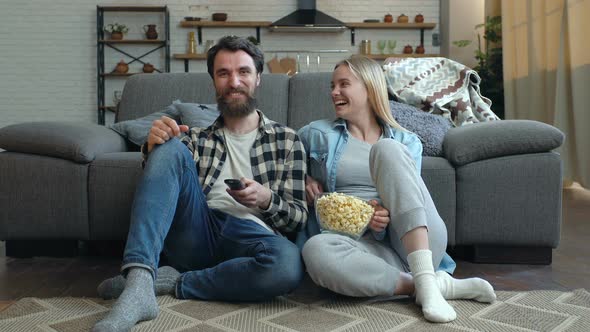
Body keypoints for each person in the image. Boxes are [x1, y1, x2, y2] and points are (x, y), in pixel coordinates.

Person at [92, 36, 308, 331]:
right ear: (214, 81)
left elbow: (298, 218)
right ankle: (140, 280)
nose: (234, 81)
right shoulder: (195, 137)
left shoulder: (288, 140)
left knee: (287, 266)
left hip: (253, 239)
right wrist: (153, 147)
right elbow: (164, 186)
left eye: (243, 72)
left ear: (258, 78)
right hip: (197, 229)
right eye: (224, 73)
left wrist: (266, 199)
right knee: (169, 145)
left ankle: (169, 281)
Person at [297, 56, 496, 323]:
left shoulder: (406, 140)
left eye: (344, 84)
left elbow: (407, 193)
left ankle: (422, 276)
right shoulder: (317, 133)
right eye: (332, 85)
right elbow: (284, 160)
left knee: (387, 149)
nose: (334, 92)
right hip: (362, 248)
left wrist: (383, 209)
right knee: (315, 250)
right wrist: (303, 179)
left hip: (414, 239)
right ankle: (429, 286)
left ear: (369, 88)